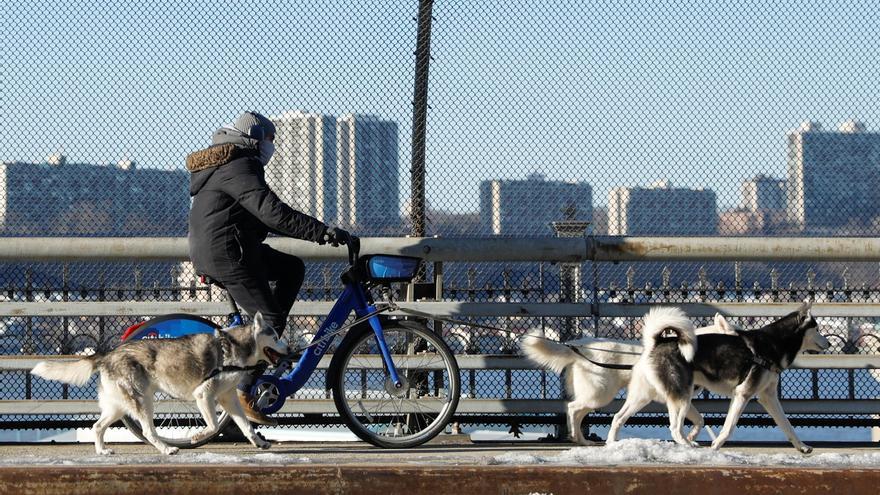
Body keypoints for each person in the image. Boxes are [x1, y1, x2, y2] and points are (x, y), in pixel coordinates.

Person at [186, 111, 349, 424]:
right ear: (254, 139)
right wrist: (323, 232)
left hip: (232, 247)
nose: (271, 147)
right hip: (228, 252)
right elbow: (272, 213)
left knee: (291, 269)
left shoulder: (231, 164)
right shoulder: (239, 165)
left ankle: (265, 348)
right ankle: (245, 389)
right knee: (269, 319)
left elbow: (261, 216)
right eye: (269, 140)